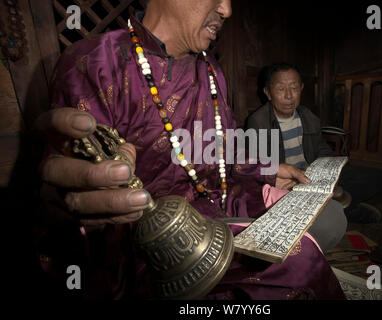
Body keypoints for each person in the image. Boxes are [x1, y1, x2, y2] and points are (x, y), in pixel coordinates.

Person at [34, 1, 345, 299]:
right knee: (300, 264)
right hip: (159, 237)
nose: (227, 9)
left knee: (330, 217)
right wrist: (75, 207)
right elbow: (78, 189)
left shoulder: (211, 70)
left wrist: (268, 170)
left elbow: (226, 143)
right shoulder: (95, 63)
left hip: (227, 197)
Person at [246, 62, 382, 224]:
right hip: (287, 184)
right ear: (268, 93)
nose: (288, 96)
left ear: (301, 88)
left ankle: (328, 207)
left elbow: (321, 149)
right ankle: (340, 208)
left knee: (376, 179)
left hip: (312, 177)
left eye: (294, 88)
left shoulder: (308, 117)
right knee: (275, 200)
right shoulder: (259, 122)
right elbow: (260, 166)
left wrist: (330, 169)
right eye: (280, 89)